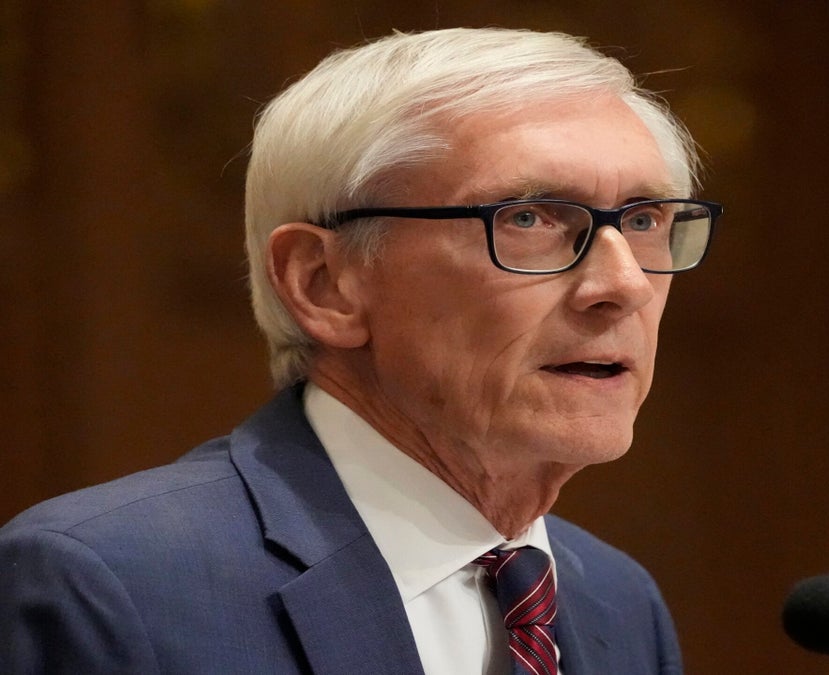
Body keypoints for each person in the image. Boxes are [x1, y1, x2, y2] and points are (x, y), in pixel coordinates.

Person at [0, 27, 720, 675]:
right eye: (528, 218)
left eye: (647, 219)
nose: (622, 283)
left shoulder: (617, 600)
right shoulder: (107, 585)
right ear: (324, 283)